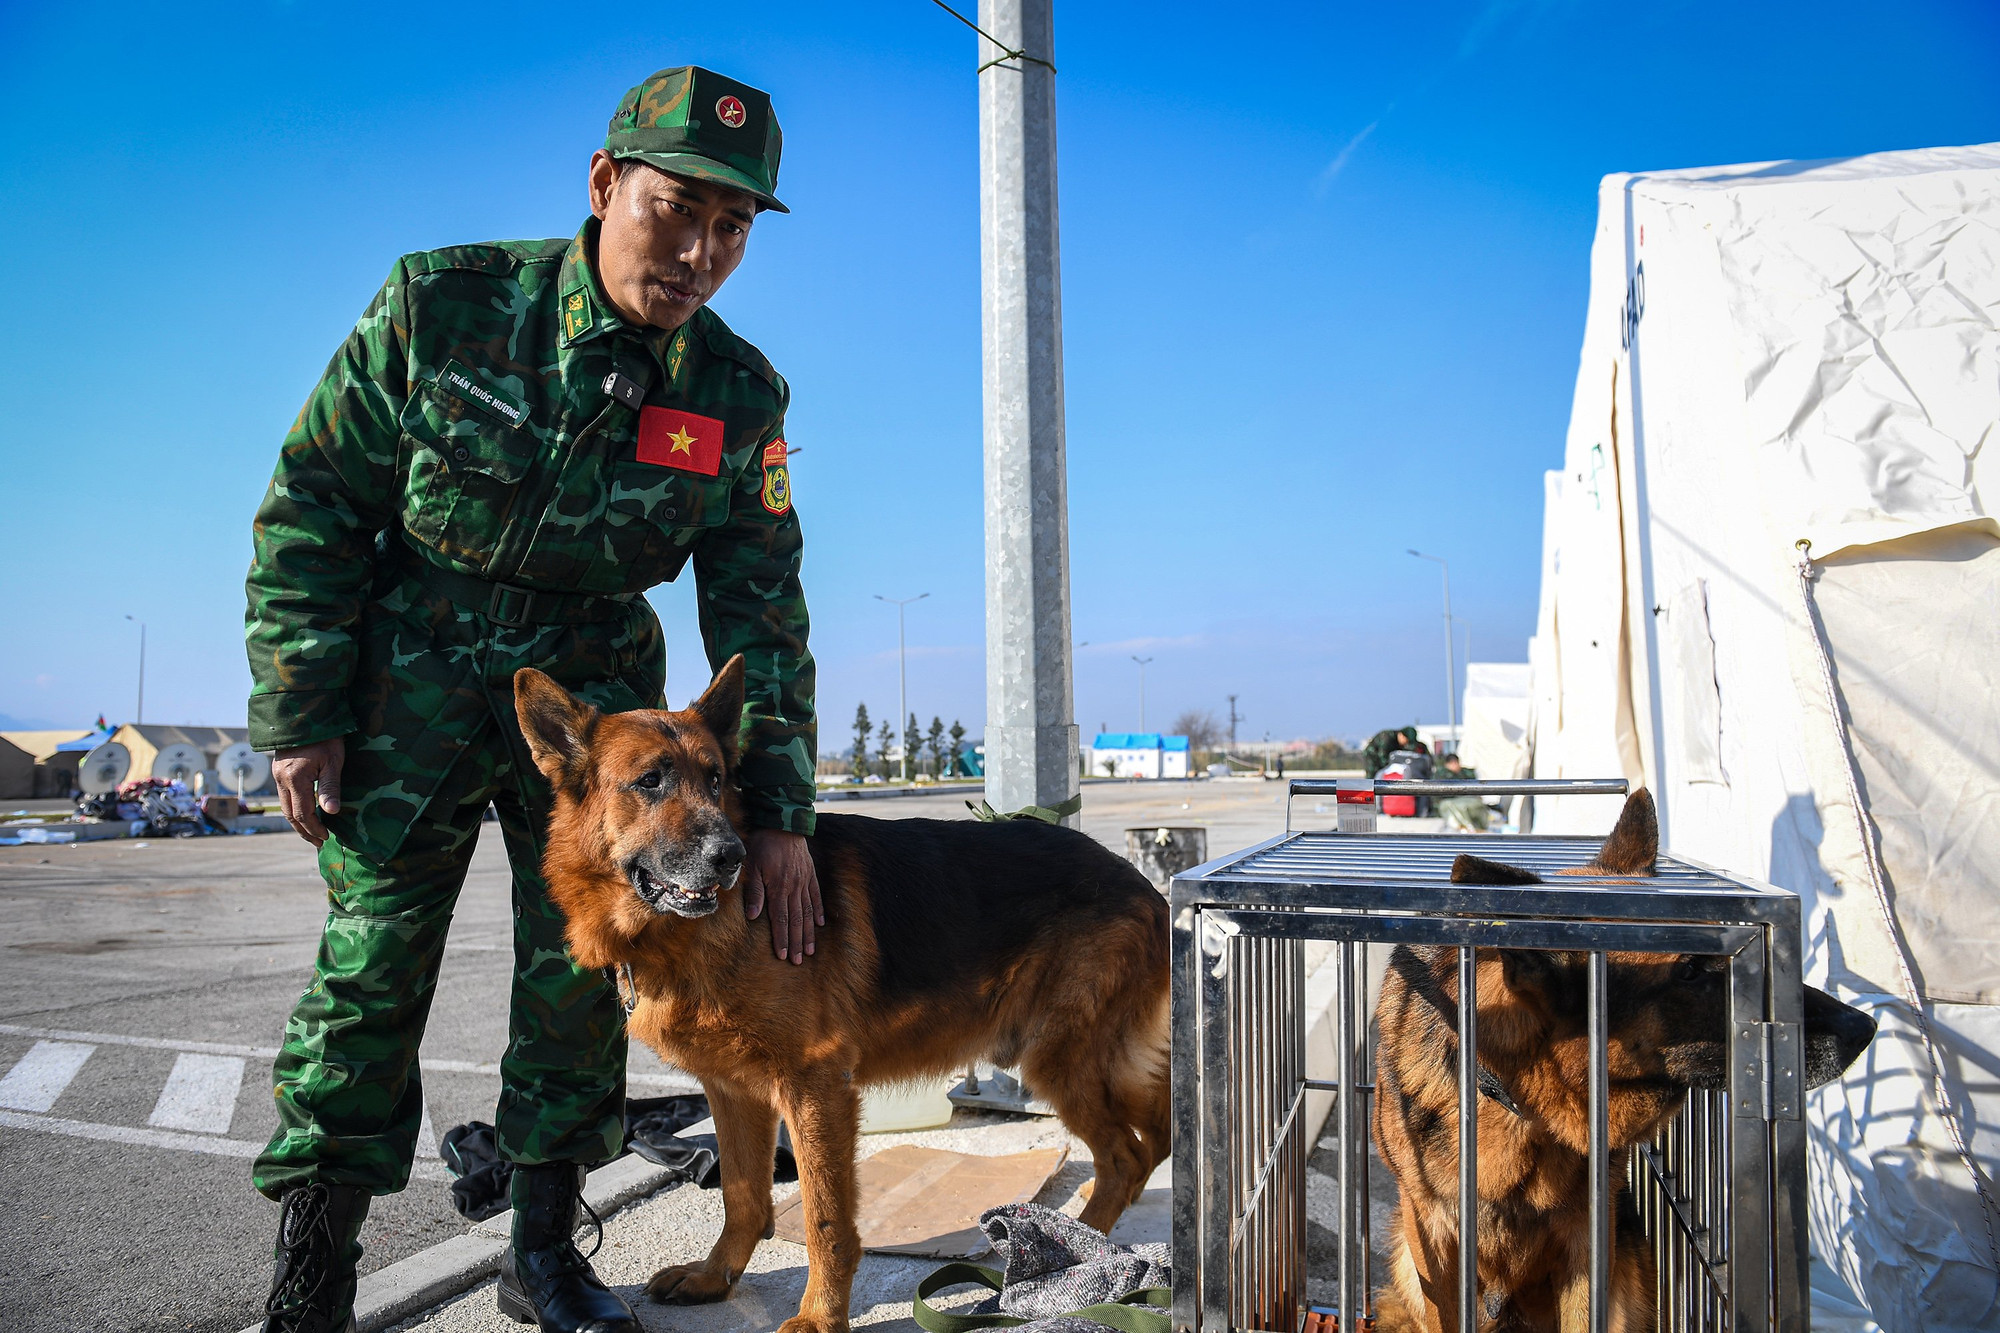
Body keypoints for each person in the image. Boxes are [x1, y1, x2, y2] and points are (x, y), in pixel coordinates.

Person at [242, 67, 818, 1333]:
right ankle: (311, 1281)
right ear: (606, 185)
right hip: (409, 687)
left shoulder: (733, 397)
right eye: (676, 209)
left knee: (577, 982)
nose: (701, 252)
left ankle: (544, 1252)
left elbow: (761, 614)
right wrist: (301, 706)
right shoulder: (442, 306)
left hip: (597, 707)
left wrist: (778, 813)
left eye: (731, 228)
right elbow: (313, 506)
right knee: (370, 969)